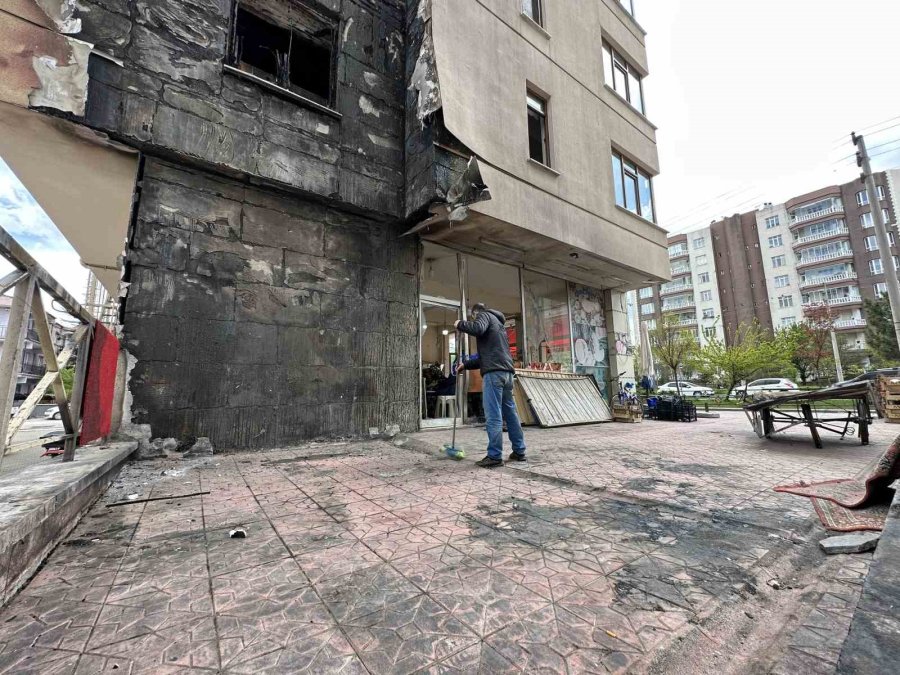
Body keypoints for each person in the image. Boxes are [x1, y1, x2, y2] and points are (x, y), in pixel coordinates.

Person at [455, 303, 526, 468]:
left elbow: (477, 328)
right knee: (510, 414)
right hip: (507, 373)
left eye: (473, 317)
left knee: (493, 415)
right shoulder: (499, 325)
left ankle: (494, 456)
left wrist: (459, 324)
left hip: (494, 374)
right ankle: (519, 451)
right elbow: (486, 357)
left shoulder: (484, 315)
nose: (475, 319)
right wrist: (465, 365)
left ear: (475, 313)